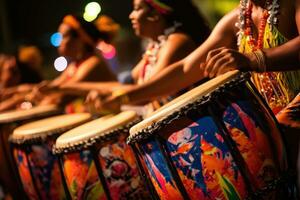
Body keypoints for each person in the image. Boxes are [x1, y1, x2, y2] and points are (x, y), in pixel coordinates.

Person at [91, 0, 300, 191]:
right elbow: (185, 69)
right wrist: (120, 97)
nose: (131, 16)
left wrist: (253, 59)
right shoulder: (238, 17)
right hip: (265, 119)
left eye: (137, 8)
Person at [58, 0, 210, 116]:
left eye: (137, 9)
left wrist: (117, 98)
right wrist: (105, 93)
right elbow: (125, 84)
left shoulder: (176, 42)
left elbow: (148, 92)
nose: (131, 16)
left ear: (156, 13)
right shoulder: (155, 48)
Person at [0, 14, 118, 112]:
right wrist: (17, 91)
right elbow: (51, 86)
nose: (60, 42)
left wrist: (22, 97)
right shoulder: (73, 66)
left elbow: (60, 97)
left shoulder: (92, 63)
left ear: (80, 40)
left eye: (64, 36)